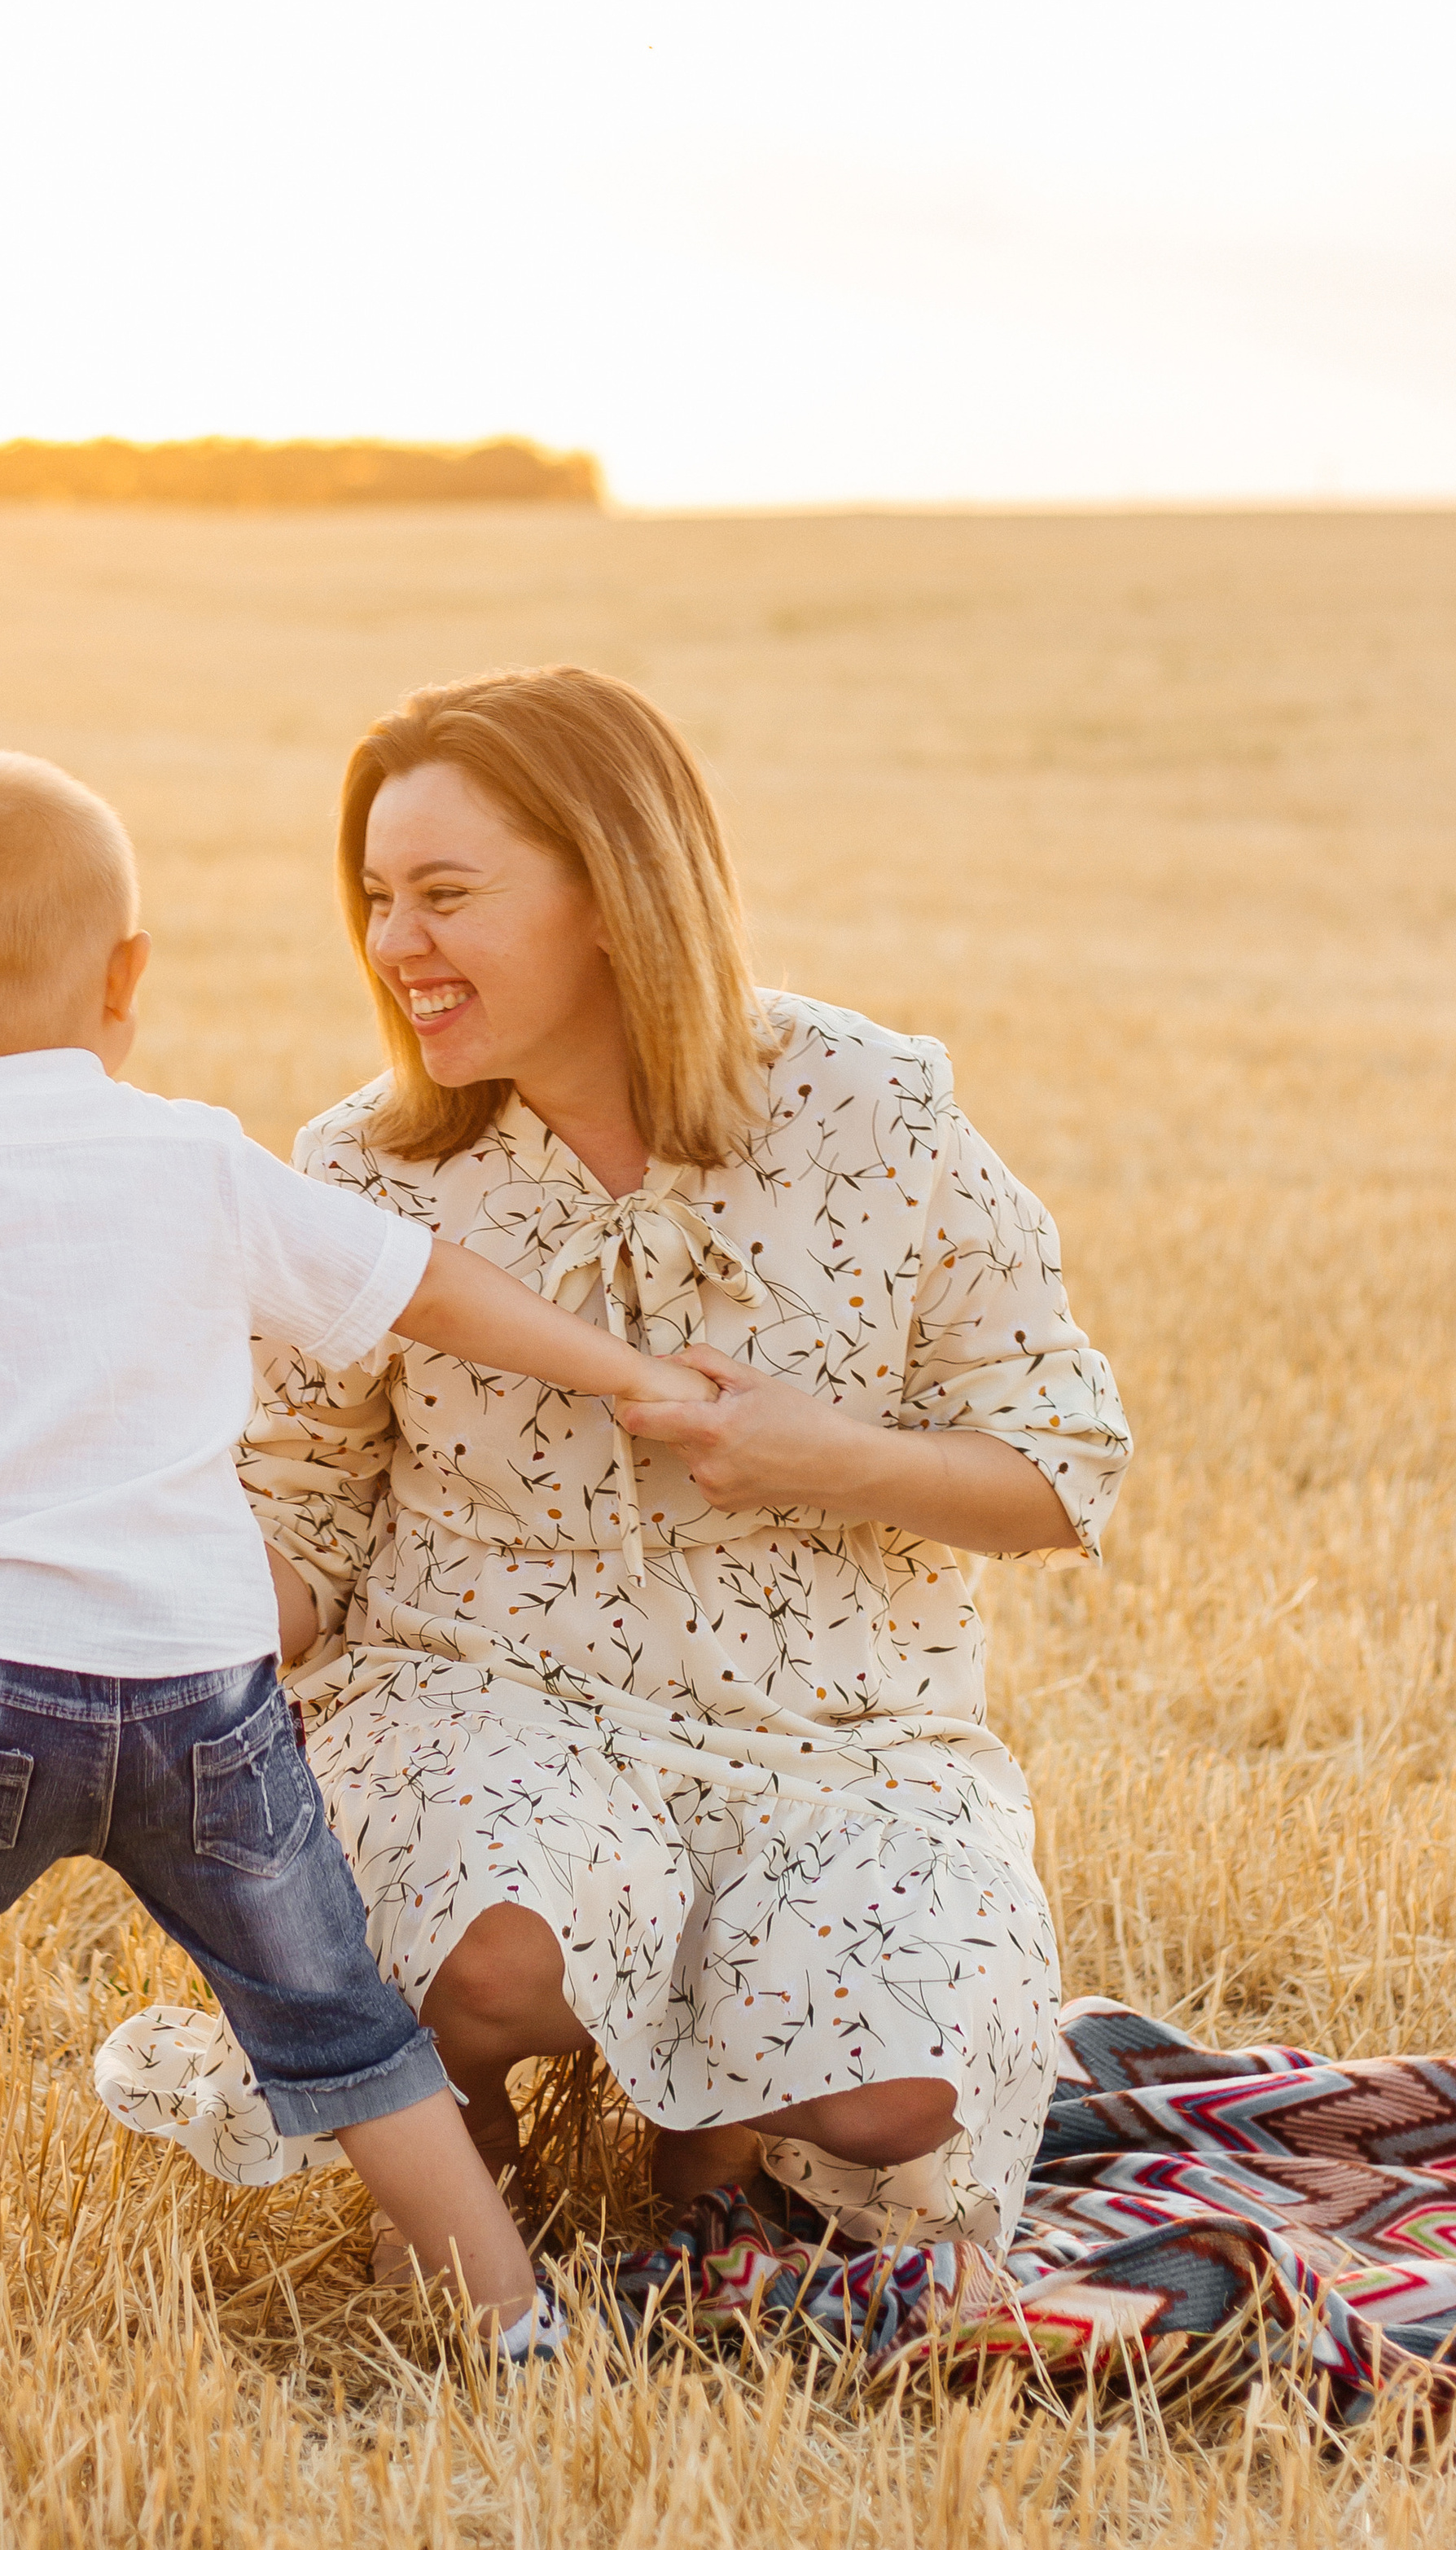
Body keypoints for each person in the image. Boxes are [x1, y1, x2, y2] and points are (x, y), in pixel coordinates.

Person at [97, 667, 1133, 2263]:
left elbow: (1061, 1469)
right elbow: (298, 1497)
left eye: (444, 894)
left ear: (612, 891)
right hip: (484, 1690)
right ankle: (465, 2100)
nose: (391, 947)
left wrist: (834, 1458)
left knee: (893, 2118)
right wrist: (181, 1642)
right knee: (492, 1957)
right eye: (376, 898)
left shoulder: (872, 1108)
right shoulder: (363, 1170)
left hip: (842, 1731)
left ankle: (710, 2108)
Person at [0, 747, 717, 2350]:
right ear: (128, 976)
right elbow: (421, 1287)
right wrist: (628, 1371)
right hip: (201, 1696)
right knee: (329, 2018)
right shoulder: (192, 1160)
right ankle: (510, 2313)